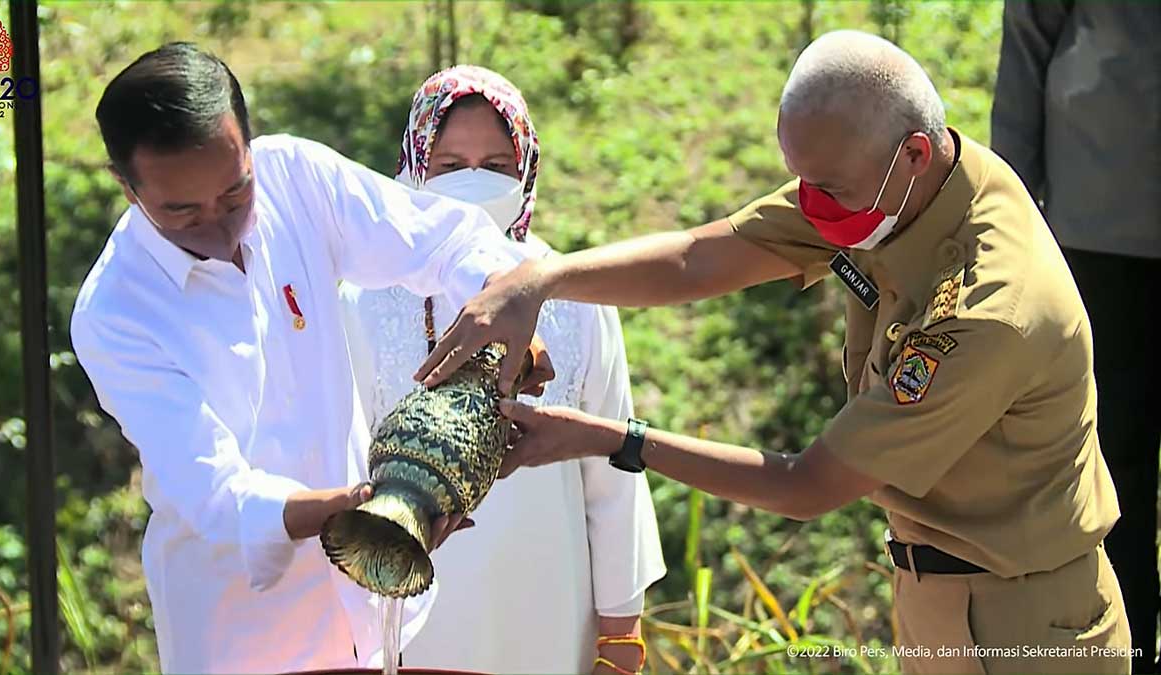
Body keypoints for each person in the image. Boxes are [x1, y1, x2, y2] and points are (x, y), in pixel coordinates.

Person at [416, 31, 1134, 674]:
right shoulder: (889, 180)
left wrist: (607, 438)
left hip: (1026, 623)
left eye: (826, 190)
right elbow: (697, 260)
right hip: (933, 595)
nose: (812, 209)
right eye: (801, 181)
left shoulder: (987, 309)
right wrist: (539, 279)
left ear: (914, 154)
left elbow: (807, 484)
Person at [70, 43, 539, 674]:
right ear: (126, 187)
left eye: (235, 193)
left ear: (248, 143)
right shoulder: (116, 313)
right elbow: (213, 492)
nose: (218, 223)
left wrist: (500, 307)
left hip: (370, 608)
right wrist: (351, 511)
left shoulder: (294, 177)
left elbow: (442, 239)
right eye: (181, 211)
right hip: (241, 629)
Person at [339, 65, 666, 675]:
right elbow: (340, 467)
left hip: (550, 600)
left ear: (527, 171)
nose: (473, 183)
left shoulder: (577, 299)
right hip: (407, 607)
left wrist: (620, 641)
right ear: (414, 166)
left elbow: (614, 475)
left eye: (495, 166)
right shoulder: (363, 298)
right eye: (449, 165)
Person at [991, 4, 1161, 671]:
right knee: (1109, 469)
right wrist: (1006, 222)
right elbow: (1028, 43)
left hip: (1096, 218)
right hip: (1097, 228)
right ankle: (1126, 655)